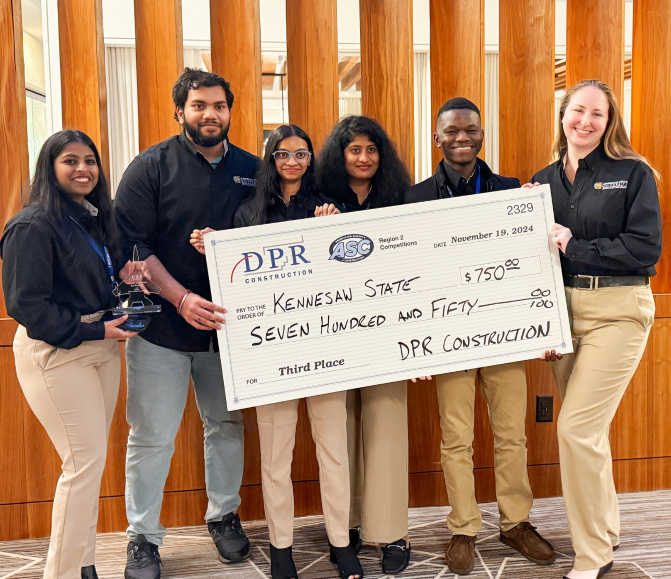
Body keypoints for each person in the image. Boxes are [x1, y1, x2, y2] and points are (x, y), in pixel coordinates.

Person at [191, 124, 362, 579]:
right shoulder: (248, 214)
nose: (292, 162)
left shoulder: (329, 208)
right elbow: (232, 279)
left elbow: (351, 274)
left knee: (334, 453)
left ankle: (342, 545)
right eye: (283, 154)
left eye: (301, 154)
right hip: (272, 359)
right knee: (276, 457)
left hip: (325, 348)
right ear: (271, 159)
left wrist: (335, 227)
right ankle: (281, 549)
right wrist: (212, 247)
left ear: (311, 158)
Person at [114, 68, 260, 579]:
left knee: (226, 425)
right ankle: (144, 538)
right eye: (199, 105)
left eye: (219, 105)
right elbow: (134, 247)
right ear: (180, 111)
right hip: (163, 333)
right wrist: (182, 299)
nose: (210, 114)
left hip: (230, 332)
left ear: (229, 111)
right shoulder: (149, 168)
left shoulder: (253, 169)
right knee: (151, 435)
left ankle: (223, 516)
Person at [405, 98, 556, 575]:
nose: (461, 137)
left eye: (470, 130)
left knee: (512, 434)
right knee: (456, 438)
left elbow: (534, 261)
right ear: (437, 138)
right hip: (447, 335)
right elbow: (407, 275)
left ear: (481, 135)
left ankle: (515, 523)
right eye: (451, 131)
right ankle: (464, 528)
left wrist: (545, 323)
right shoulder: (415, 198)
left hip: (503, 334)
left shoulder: (513, 191)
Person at [527, 79, 661, 579]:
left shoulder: (632, 173)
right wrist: (540, 324)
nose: (585, 121)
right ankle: (605, 528)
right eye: (577, 111)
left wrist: (574, 246)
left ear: (610, 122)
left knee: (575, 429)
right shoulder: (542, 181)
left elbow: (645, 249)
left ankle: (593, 555)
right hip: (562, 314)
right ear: (563, 115)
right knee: (590, 433)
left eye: (597, 115)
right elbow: (534, 262)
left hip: (619, 310)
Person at [1, 130, 150, 579]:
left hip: (101, 347)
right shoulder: (32, 224)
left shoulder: (91, 219)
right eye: (70, 161)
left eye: (90, 160)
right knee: (82, 466)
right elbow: (26, 306)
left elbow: (90, 274)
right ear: (50, 168)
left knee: (91, 462)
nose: (83, 169)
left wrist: (125, 274)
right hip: (58, 352)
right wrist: (91, 328)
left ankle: (84, 565)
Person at [315, 116, 413, 574]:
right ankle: (347, 524)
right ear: (340, 155)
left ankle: (391, 531)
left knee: (386, 424)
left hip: (388, 331)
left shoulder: (400, 198)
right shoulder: (316, 200)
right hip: (333, 332)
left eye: (371, 149)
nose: (364, 157)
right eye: (354, 149)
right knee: (341, 428)